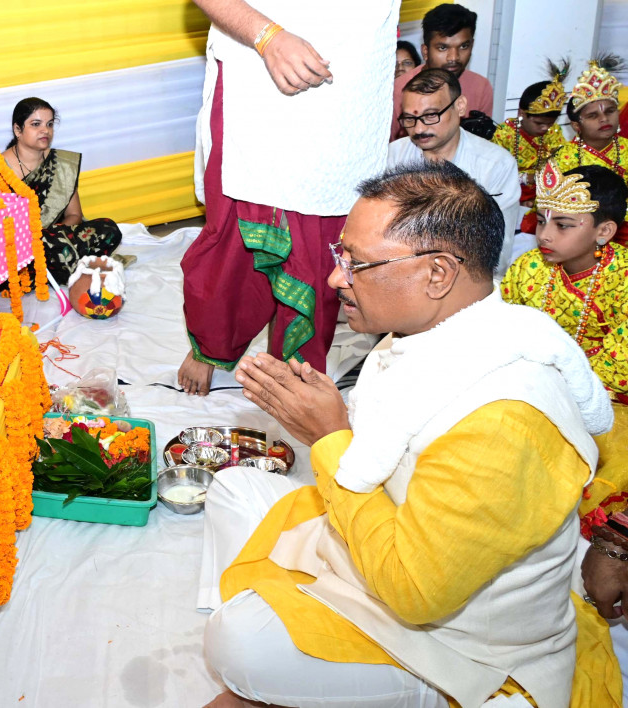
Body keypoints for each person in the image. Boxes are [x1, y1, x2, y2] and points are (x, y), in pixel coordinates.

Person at [198, 161, 614, 708]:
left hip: (455, 641)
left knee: (237, 644)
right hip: (381, 546)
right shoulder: (433, 333)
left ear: (437, 273)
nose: (335, 279)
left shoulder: (504, 419)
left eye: (356, 263)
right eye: (340, 255)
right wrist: (333, 425)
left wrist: (329, 436)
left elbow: (415, 594)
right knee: (233, 487)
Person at [179, 0, 399, 395]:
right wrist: (268, 37)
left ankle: (293, 378)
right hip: (257, 71)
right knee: (234, 239)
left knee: (324, 249)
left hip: (346, 95)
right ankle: (212, 345)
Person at [499, 161, 628, 705]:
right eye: (542, 218)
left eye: (563, 224)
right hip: (532, 389)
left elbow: (618, 365)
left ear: (604, 232)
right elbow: (502, 329)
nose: (544, 233)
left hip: (609, 405)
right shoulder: (529, 268)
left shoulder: (623, 278)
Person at [389, 68, 521, 275]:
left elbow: (498, 253)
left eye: (431, 115)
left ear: (460, 106)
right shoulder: (393, 157)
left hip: (467, 279)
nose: (419, 129)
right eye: (409, 119)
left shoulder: (495, 165)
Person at [0, 97, 121, 284]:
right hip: (19, 245)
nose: (45, 130)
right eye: (36, 124)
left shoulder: (61, 163)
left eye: (49, 124)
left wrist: (55, 234)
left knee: (109, 229)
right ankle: (70, 266)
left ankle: (58, 267)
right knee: (38, 250)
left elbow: (74, 215)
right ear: (18, 130)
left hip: (53, 238)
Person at [390, 4, 494, 141]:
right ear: (425, 51)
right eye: (443, 48)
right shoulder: (398, 90)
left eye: (463, 46)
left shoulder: (481, 87)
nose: (454, 58)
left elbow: (481, 144)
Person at [493, 61, 570, 233]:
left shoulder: (553, 131)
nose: (545, 128)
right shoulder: (504, 134)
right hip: (510, 193)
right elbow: (495, 172)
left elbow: (562, 162)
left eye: (550, 123)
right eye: (539, 123)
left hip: (543, 194)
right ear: (521, 114)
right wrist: (524, 179)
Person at [552, 55, 628, 189]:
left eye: (610, 111)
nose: (604, 119)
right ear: (576, 125)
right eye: (593, 116)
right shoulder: (563, 158)